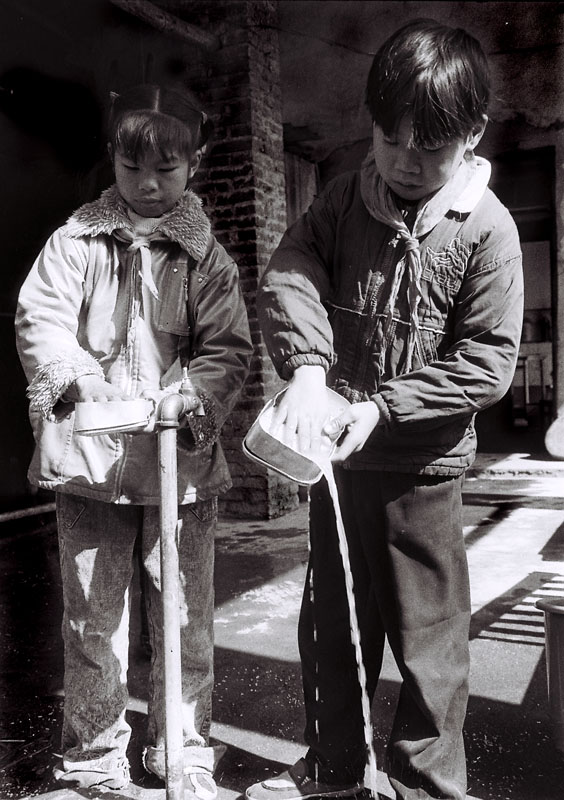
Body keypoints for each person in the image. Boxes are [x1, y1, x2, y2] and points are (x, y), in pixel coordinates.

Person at [245, 19, 523, 800]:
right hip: (338, 469)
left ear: (471, 135)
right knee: (333, 631)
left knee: (430, 645)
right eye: (388, 138)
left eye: (428, 147)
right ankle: (335, 772)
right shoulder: (342, 199)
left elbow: (489, 360)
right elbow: (293, 265)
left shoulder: (488, 233)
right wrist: (305, 368)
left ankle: (427, 784)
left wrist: (385, 409)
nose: (405, 160)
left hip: (423, 474)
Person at [15, 83, 253, 795]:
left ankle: (183, 749)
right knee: (92, 616)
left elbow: (227, 347)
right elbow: (42, 317)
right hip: (91, 458)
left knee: (183, 612)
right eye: (131, 169)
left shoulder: (206, 259)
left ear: (196, 164)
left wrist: (189, 398)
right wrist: (76, 379)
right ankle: (94, 757)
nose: (148, 185)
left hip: (178, 457)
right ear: (113, 163)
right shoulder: (75, 241)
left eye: (167, 170)